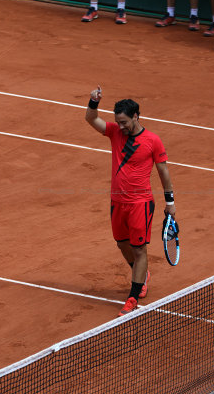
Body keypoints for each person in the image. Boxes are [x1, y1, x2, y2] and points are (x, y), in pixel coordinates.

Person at [85, 86, 176, 317]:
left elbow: (163, 171)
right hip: (117, 202)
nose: (121, 126)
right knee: (121, 244)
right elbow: (91, 118)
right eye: (119, 121)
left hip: (140, 203)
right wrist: (93, 101)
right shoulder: (115, 132)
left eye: (125, 122)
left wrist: (170, 201)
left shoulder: (153, 141)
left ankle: (133, 297)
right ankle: (141, 273)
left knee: (139, 249)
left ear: (136, 116)